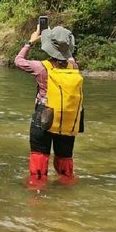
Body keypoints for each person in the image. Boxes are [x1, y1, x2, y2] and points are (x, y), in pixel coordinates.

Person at [14, 24, 82, 186]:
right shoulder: (74, 66)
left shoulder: (41, 67)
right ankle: (66, 187)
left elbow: (18, 61)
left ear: (49, 46)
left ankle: (37, 192)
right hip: (67, 116)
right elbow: (68, 56)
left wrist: (30, 41)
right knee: (65, 157)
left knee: (39, 154)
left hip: (44, 114)